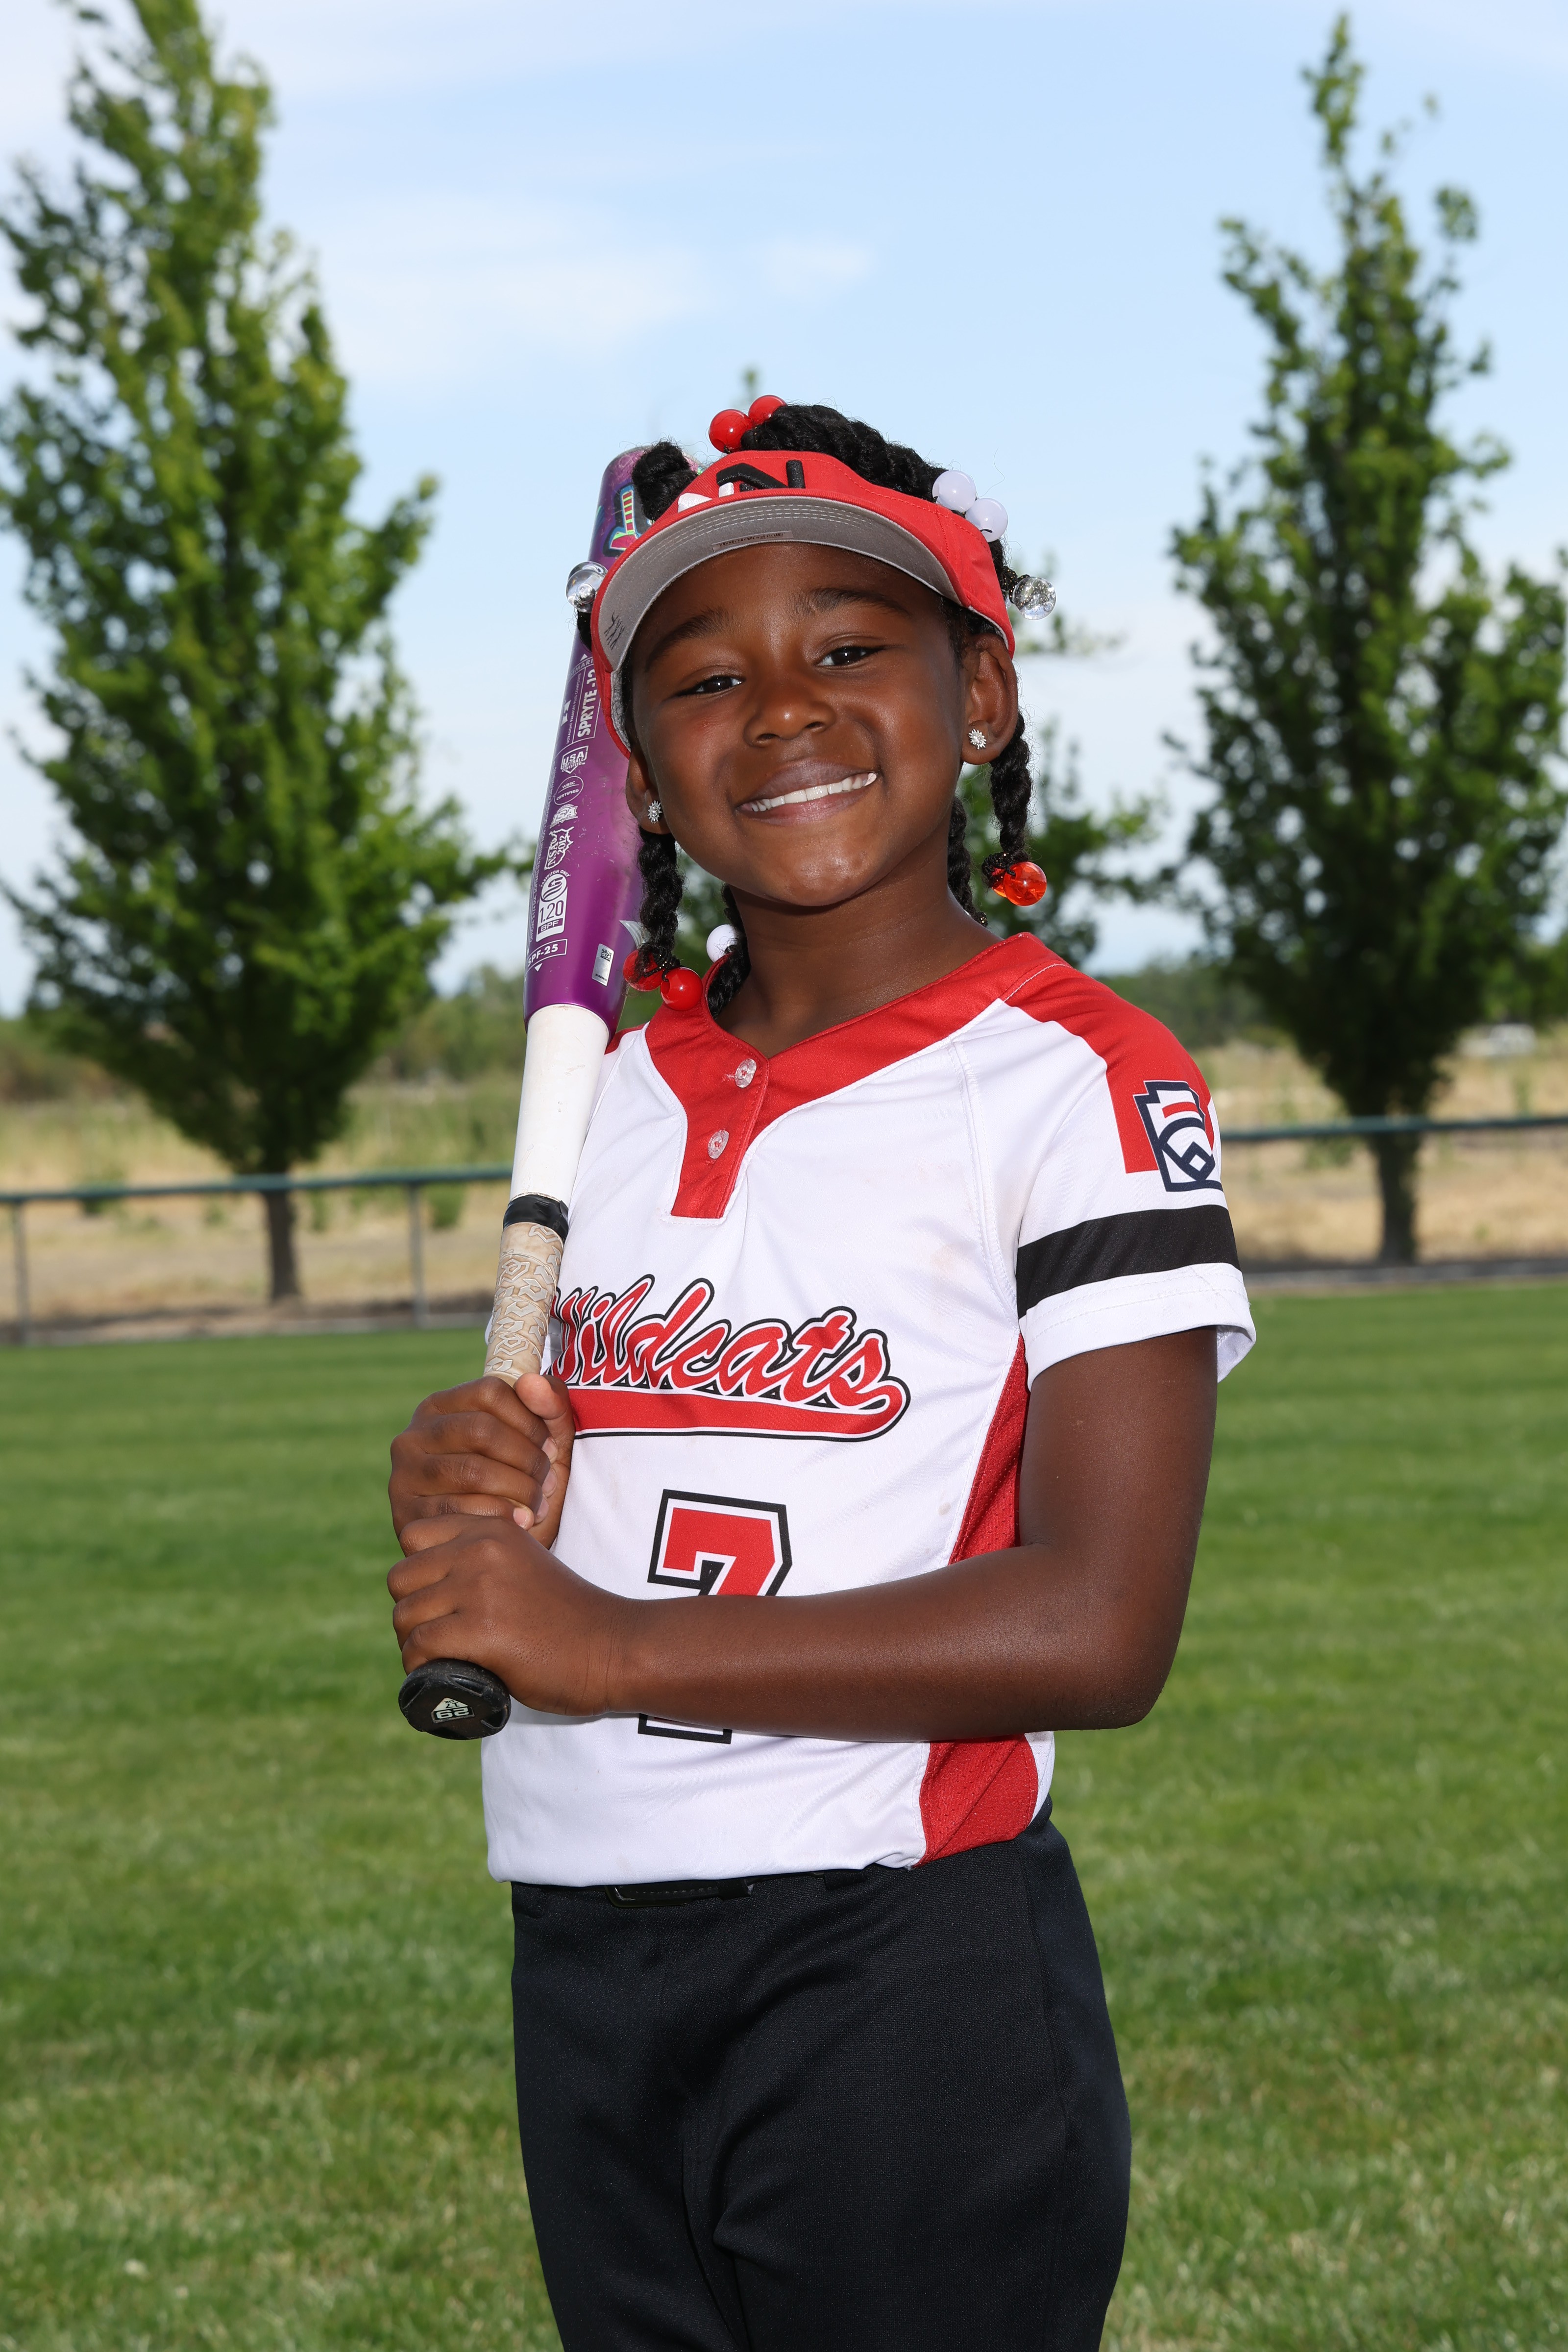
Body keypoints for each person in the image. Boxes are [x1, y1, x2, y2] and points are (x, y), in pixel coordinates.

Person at [387, 398, 1254, 2352]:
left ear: (983, 696)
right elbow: (584, 1492)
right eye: (703, 678)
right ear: (635, 768)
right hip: (584, 1954)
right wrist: (480, 1491)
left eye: (849, 647)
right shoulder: (602, 1099)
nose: (779, 711)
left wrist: (606, 1642)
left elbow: (1099, 1625)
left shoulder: (1078, 1083)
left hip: (897, 1970)